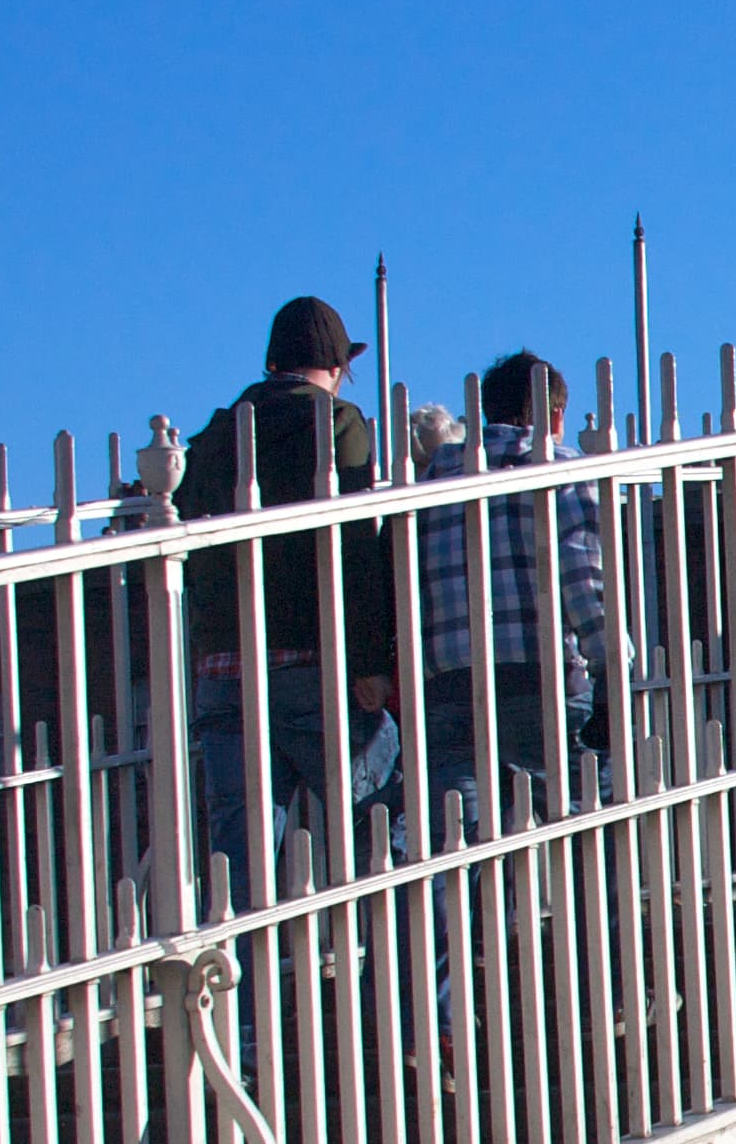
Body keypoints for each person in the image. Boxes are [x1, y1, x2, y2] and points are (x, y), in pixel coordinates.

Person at [175, 294, 401, 898]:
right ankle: (389, 960)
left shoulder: (213, 437)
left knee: (239, 860)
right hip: (308, 661)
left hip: (222, 668)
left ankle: (237, 990)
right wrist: (371, 660)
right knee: (387, 804)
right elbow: (354, 549)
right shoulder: (338, 423)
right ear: (334, 363)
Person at [414, 352, 606, 825]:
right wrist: (607, 666)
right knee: (579, 816)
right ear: (556, 415)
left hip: (449, 681)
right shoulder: (558, 464)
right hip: (539, 675)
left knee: (458, 838)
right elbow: (581, 577)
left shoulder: (436, 474)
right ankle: (589, 899)